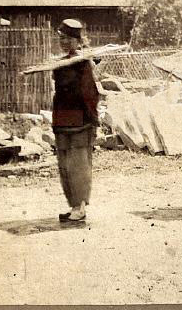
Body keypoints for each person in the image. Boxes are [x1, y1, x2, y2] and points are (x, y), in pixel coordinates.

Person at [52, 19, 100, 222]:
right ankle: (73, 205)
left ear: (78, 41)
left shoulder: (83, 63)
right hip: (62, 118)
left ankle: (80, 207)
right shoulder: (60, 64)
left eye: (68, 39)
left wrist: (93, 119)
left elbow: (90, 93)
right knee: (64, 164)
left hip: (80, 120)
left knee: (78, 165)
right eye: (61, 38)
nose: (64, 42)